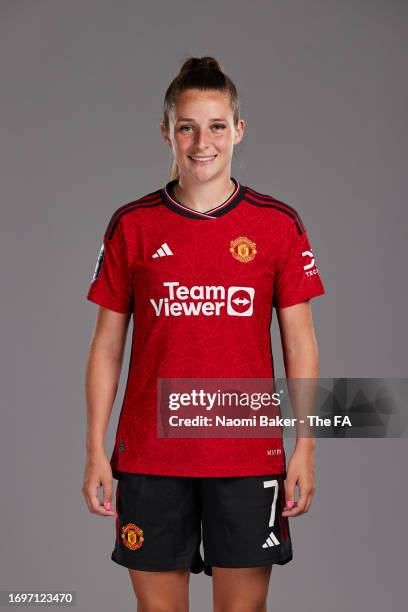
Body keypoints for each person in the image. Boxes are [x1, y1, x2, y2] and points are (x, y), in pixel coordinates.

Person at [82, 56, 325, 612]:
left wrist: (305, 446)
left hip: (246, 457)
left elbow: (301, 344)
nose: (201, 141)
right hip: (149, 456)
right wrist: (95, 448)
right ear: (167, 131)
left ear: (238, 130)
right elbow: (106, 347)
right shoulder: (133, 225)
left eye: (217, 125)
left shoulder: (277, 224)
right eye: (187, 125)